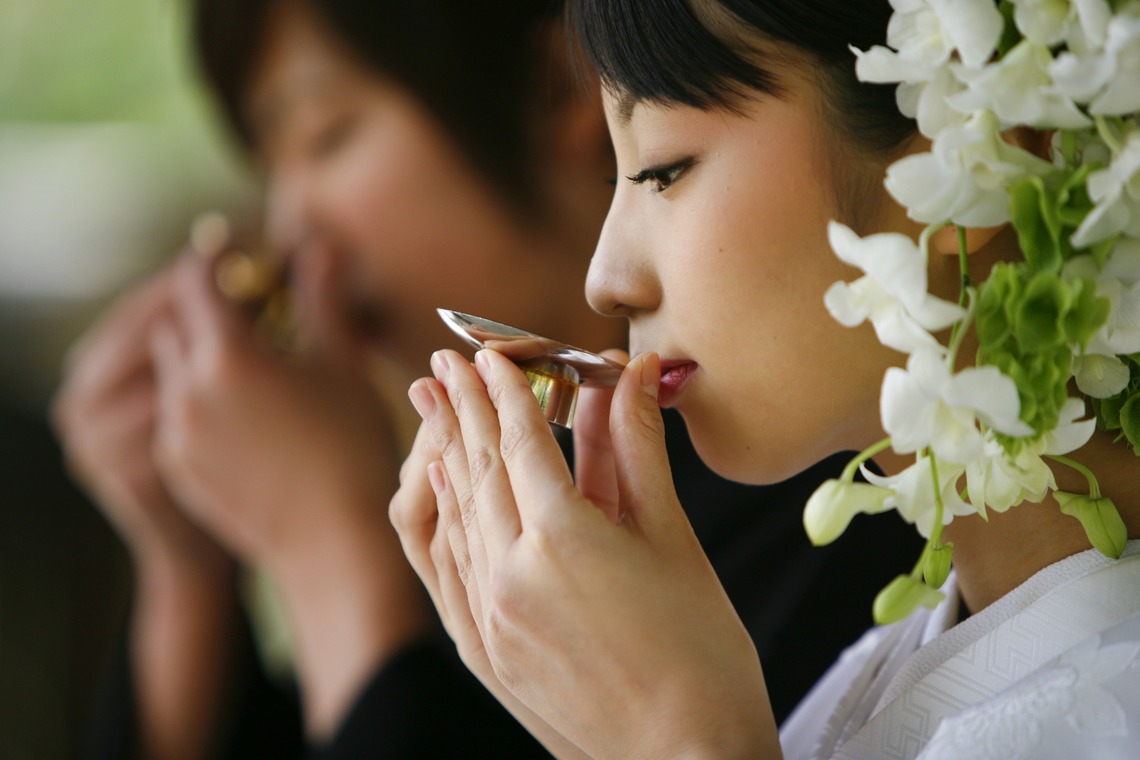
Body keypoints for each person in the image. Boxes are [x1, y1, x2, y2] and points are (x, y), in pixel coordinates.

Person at [53, 0, 920, 758]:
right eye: (267, 165)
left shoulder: (834, 470)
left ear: (556, 85)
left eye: (326, 135)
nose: (290, 229)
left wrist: (331, 550)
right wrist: (189, 568)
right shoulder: (520, 511)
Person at [389, 0, 1140, 758]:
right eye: (619, 176)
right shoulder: (894, 669)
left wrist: (681, 735)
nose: (605, 282)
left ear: (968, 154)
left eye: (662, 170)